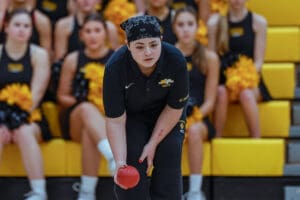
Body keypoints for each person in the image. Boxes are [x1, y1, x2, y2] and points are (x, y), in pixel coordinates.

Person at [103, 15, 189, 200]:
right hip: (133, 116)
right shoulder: (114, 68)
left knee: (169, 154)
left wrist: (153, 143)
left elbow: (175, 107)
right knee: (132, 160)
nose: (148, 52)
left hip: (168, 113)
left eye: (153, 44)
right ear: (128, 45)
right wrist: (119, 162)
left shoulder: (176, 60)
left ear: (161, 40)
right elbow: (115, 120)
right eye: (139, 47)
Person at [57, 13, 115, 200]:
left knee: (90, 133)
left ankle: (86, 192)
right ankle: (112, 156)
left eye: (97, 31)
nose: (92, 35)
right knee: (86, 108)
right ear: (81, 35)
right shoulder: (73, 59)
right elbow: (62, 96)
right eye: (88, 31)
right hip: (77, 118)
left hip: (108, 121)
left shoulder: (117, 58)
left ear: (105, 33)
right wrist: (88, 98)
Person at [0, 9, 52, 200]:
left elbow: (36, 95)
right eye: (17, 25)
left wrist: (13, 122)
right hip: (0, 118)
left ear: (31, 30)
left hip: (30, 116)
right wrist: (3, 122)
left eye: (26, 26)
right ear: (6, 27)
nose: (22, 30)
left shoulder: (39, 54)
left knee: (23, 130)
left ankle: (39, 193)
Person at [173, 7, 219, 200]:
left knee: (192, 131)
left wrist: (193, 116)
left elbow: (210, 100)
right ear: (174, 28)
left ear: (198, 27)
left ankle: (194, 192)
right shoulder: (167, 55)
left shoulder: (209, 57)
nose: (185, 29)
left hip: (200, 118)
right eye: (181, 25)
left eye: (190, 24)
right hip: (172, 116)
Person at [207, 0, 271, 138]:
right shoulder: (215, 23)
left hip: (250, 80)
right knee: (220, 92)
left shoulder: (258, 22)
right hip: (224, 80)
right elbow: (211, 60)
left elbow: (259, 62)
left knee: (246, 94)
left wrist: (241, 79)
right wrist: (229, 80)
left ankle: (256, 139)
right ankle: (217, 139)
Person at [54, 0, 119, 61]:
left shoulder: (109, 27)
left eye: (97, 30)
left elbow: (115, 60)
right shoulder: (63, 26)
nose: (86, 1)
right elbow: (59, 60)